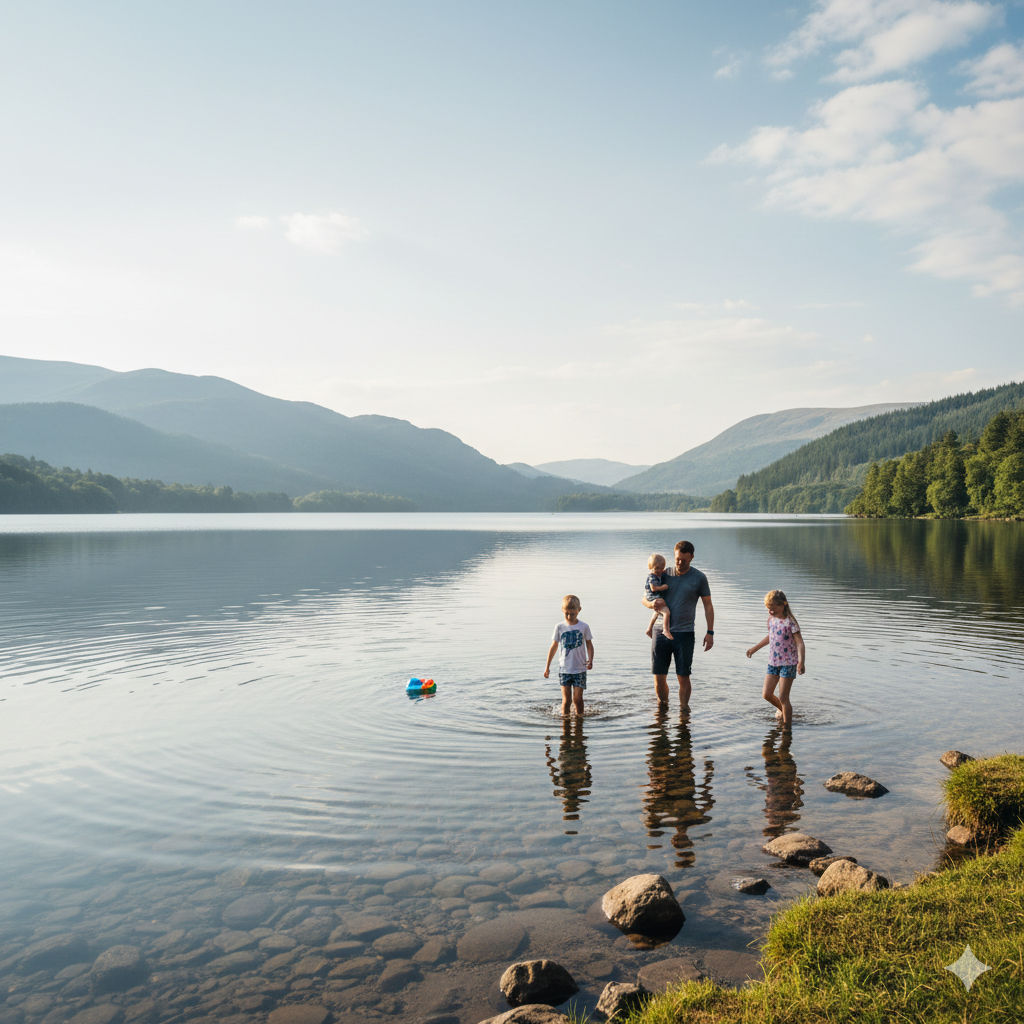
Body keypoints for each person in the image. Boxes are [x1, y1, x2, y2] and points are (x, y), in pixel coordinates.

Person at [641, 541, 714, 708]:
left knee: (683, 676)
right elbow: (644, 598)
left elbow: (708, 605)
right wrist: (652, 605)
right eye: (677, 559)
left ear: (692, 558)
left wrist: (710, 632)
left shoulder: (699, 578)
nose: (679, 563)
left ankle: (683, 711)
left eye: (684, 560)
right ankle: (663, 707)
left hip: (684, 633)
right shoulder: (663, 573)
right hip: (660, 631)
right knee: (659, 677)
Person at [746, 589, 805, 726]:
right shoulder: (771, 620)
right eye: (768, 609)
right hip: (773, 662)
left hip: (789, 663)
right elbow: (770, 637)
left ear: (783, 604)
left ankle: (787, 729)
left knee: (784, 697)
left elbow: (800, 644)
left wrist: (801, 662)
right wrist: (754, 649)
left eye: (773, 609)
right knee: (766, 694)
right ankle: (782, 710)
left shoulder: (791, 622)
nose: (770, 612)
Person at [543, 594, 594, 717]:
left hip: (580, 669)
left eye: (572, 614)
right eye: (566, 613)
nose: (569, 617)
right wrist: (547, 666)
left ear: (579, 610)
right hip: (564, 669)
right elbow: (554, 647)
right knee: (566, 700)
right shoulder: (559, 627)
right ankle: (565, 725)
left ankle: (580, 721)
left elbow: (589, 645)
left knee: (578, 699)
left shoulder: (584, 627)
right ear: (562, 610)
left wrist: (590, 659)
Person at [644, 553, 673, 640]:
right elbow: (653, 588)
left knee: (657, 611)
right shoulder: (652, 576)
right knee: (666, 612)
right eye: (657, 568)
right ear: (650, 567)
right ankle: (665, 630)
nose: (659, 570)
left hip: (654, 596)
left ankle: (649, 629)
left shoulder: (658, 574)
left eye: (661, 568)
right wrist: (664, 587)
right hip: (653, 596)